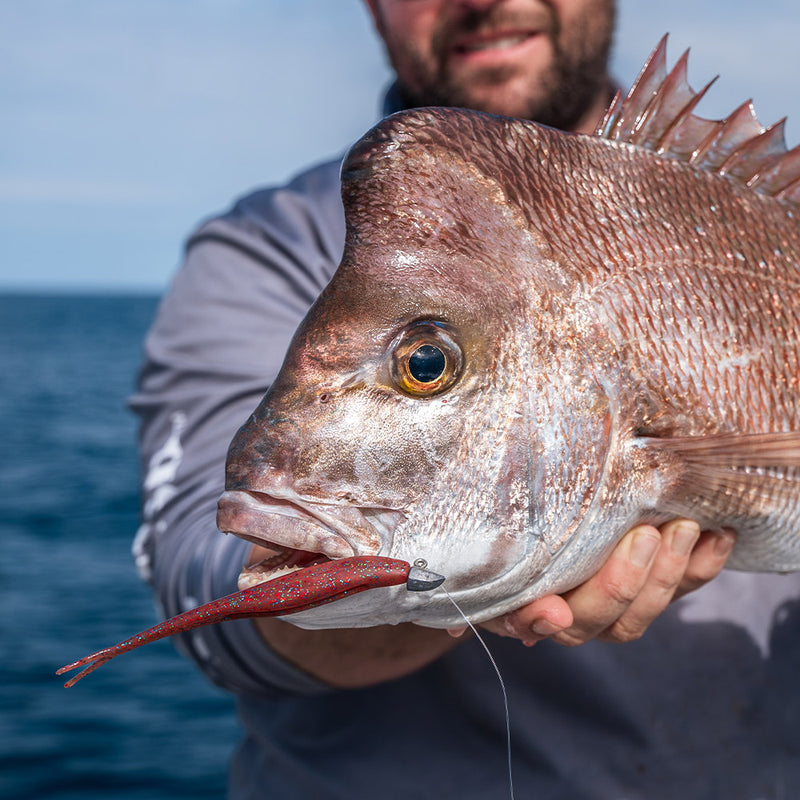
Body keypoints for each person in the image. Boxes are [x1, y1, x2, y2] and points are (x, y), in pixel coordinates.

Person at [130, 1, 800, 797]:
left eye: (424, 365)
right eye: (423, 365)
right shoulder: (269, 249)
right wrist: (458, 583)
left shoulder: (761, 228)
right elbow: (199, 580)